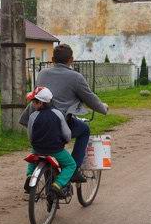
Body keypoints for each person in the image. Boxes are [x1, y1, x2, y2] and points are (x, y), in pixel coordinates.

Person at [20, 44, 108, 183]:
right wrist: (103, 108)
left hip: (35, 120)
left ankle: (33, 175)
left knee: (39, 145)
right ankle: (73, 170)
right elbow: (89, 98)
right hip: (57, 121)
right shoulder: (76, 77)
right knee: (84, 130)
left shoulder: (42, 73)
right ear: (71, 59)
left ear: (53, 59)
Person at [25, 86, 76, 197]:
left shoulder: (33, 116)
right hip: (56, 150)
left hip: (38, 149)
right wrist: (67, 140)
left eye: (35, 101)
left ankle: (30, 176)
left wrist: (34, 144)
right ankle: (58, 184)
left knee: (33, 159)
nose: (33, 104)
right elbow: (66, 133)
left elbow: (30, 135)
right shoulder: (58, 114)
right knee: (71, 165)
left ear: (41, 103)